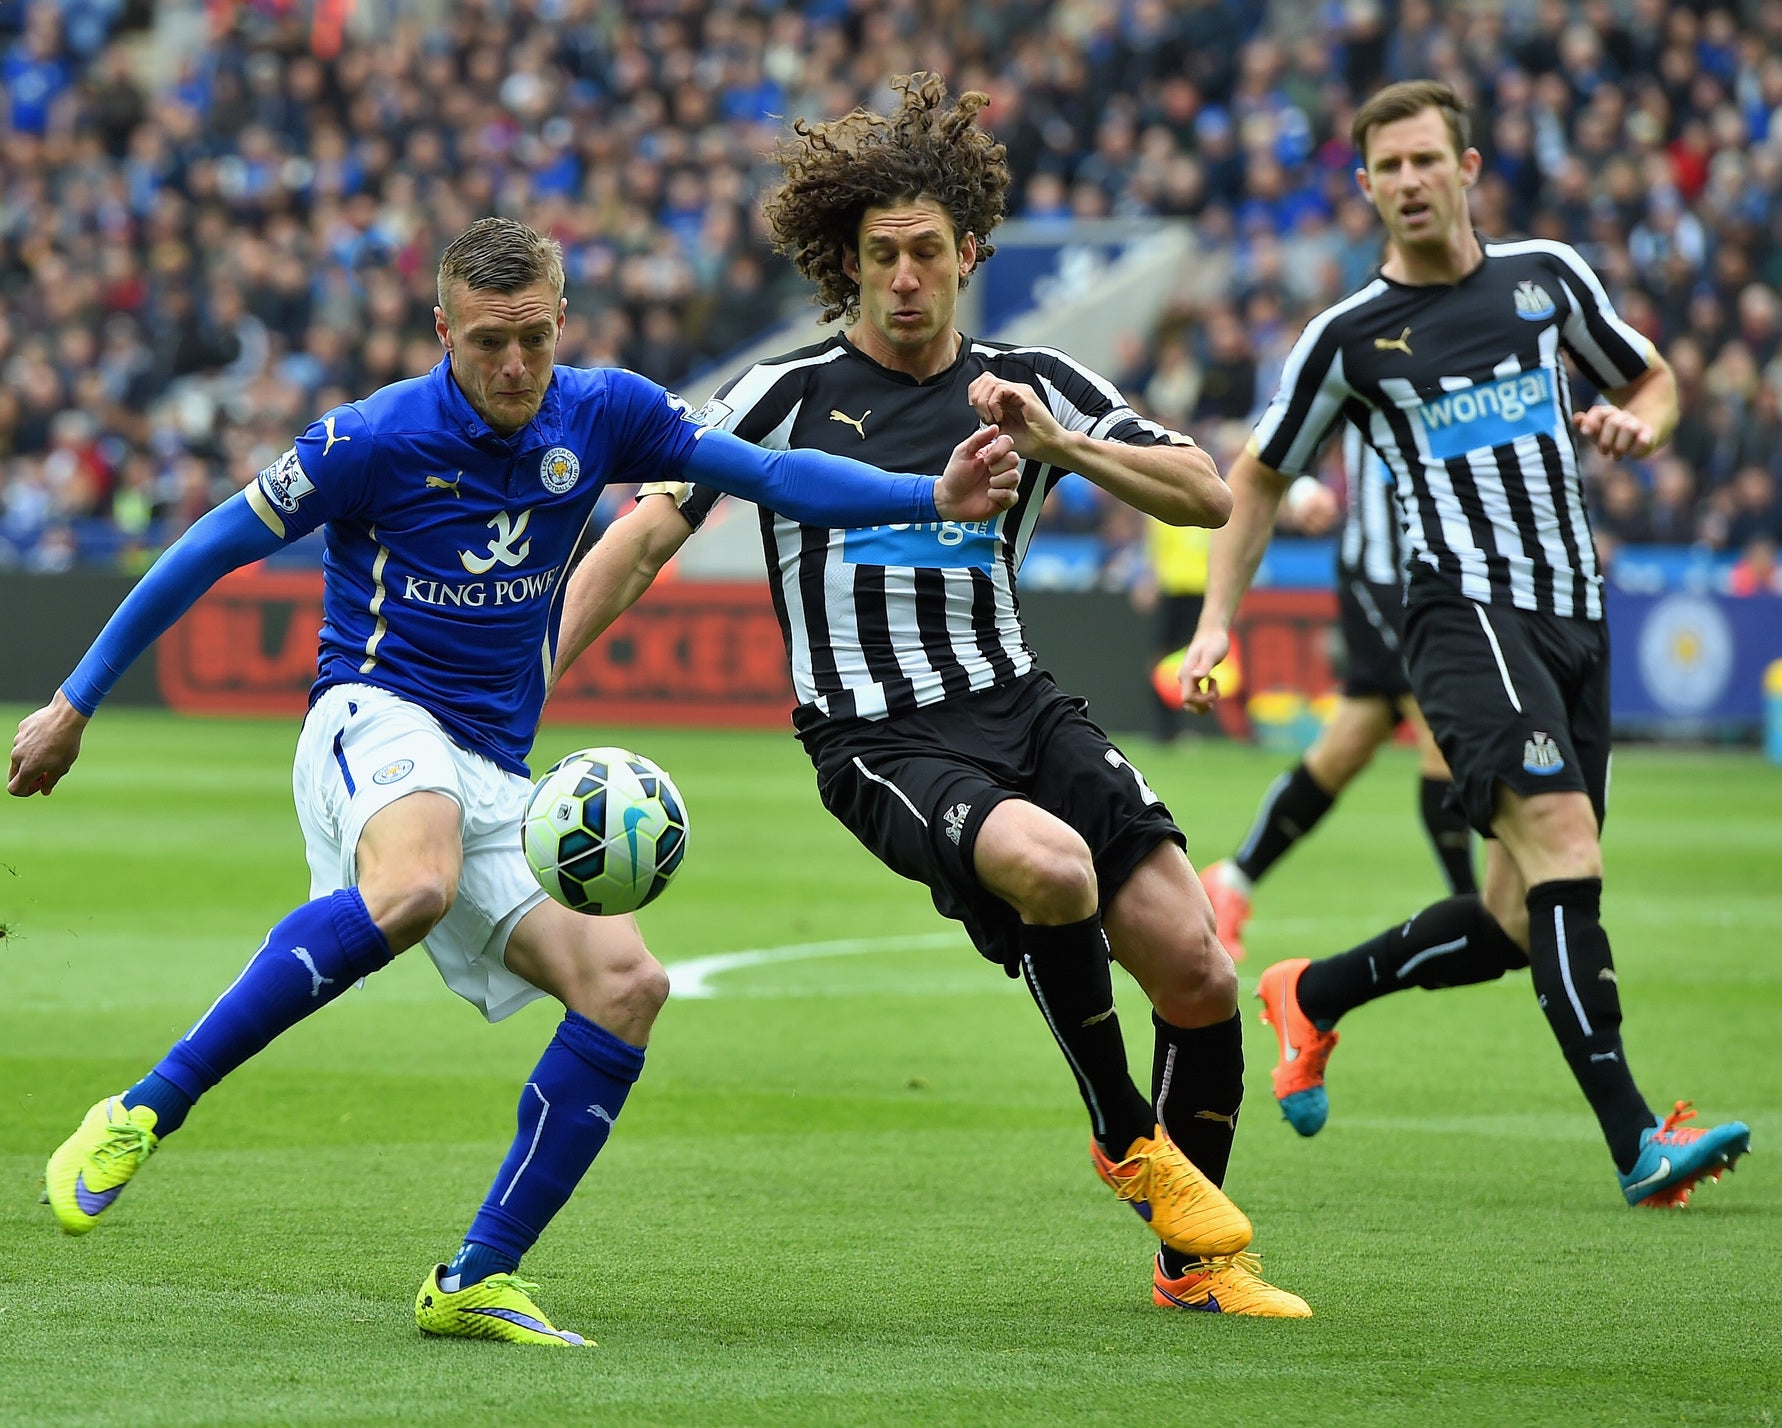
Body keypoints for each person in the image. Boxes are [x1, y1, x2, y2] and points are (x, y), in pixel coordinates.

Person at [6, 216, 1021, 1346]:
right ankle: (145, 1109)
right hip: (372, 713)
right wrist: (74, 701)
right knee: (414, 886)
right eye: (488, 342)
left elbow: (774, 474)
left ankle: (476, 1275)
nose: (512, 367)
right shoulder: (371, 438)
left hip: (494, 769)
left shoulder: (608, 411)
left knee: (629, 987)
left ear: (560, 324)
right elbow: (206, 546)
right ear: (443, 330)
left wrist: (927, 497)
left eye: (533, 340)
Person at [559, 74, 1309, 1317]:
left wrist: (1055, 445)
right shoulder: (780, 395)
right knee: (1054, 868)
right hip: (876, 737)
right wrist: (534, 673)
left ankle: (1193, 1271)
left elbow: (1207, 496)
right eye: (878, 257)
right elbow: (644, 536)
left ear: (968, 253)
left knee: (1200, 971)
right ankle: (1128, 1139)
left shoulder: (1030, 379)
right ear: (845, 267)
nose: (903, 277)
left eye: (924, 252)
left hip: (1020, 702)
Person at [1179, 81, 1751, 1208]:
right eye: (1384, 167)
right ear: (1363, 189)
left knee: (1506, 919)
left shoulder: (1545, 279)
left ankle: (1311, 993)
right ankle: (1638, 1139)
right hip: (1460, 615)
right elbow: (1254, 476)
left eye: (1423, 161)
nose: (1405, 182)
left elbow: (1649, 373)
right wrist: (1212, 623)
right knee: (1564, 845)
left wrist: (1645, 422)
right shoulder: (1345, 340)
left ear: (1467, 168)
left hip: (1573, 614)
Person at [1202, 424, 1477, 967]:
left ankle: (1233, 878)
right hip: (1381, 582)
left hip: (1441, 587)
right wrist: (1303, 489)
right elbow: (1275, 433)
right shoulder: (1360, 344)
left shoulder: (1468, 357)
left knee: (1344, 750)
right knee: (1443, 729)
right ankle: (1473, 909)